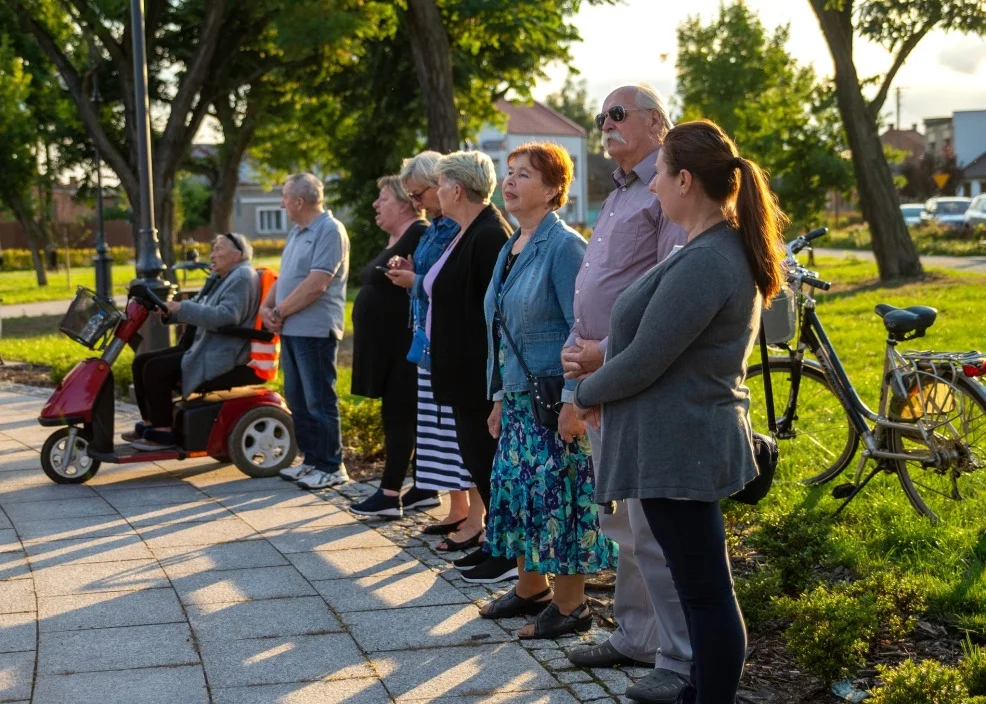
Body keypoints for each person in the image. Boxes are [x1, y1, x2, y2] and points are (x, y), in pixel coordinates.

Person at [574, 119, 787, 704]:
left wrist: (582, 395)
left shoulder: (707, 260)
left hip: (683, 447)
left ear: (685, 180)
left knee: (705, 591)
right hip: (678, 443)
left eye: (661, 176)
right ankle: (702, 691)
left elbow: (645, 358)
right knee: (701, 586)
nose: (654, 188)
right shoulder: (708, 250)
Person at [563, 84, 692, 701]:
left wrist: (602, 356)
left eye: (618, 114)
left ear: (656, 122)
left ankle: (680, 657)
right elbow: (596, 284)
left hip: (640, 382)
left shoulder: (668, 189)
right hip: (600, 381)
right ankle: (639, 638)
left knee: (652, 529)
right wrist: (578, 368)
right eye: (601, 116)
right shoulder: (618, 192)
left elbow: (671, 293)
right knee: (623, 526)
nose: (606, 124)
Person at [476, 143, 617, 636]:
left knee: (559, 498)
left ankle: (572, 605)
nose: (510, 182)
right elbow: (498, 327)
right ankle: (530, 587)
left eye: (524, 175)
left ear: (555, 189)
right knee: (520, 495)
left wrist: (575, 399)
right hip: (517, 397)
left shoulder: (564, 247)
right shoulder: (511, 246)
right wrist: (497, 396)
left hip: (554, 399)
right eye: (508, 173)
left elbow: (582, 328)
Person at [424, 150, 515, 582]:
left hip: (478, 378)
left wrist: (495, 386)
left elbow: (498, 316)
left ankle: (506, 554)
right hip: (460, 375)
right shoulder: (467, 230)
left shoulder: (489, 234)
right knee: (478, 462)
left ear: (457, 189)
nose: (436, 193)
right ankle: (494, 543)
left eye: (441, 184)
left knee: (487, 460)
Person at [386, 151, 473, 531]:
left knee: (454, 431)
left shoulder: (458, 228)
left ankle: (473, 514)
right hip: (426, 339)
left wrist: (415, 280)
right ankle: (457, 510)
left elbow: (451, 284)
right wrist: (412, 273)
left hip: (446, 342)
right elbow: (433, 277)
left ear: (441, 186)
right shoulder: (436, 226)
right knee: (437, 429)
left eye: (418, 194)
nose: (415, 203)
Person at [348, 176, 436, 518]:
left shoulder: (417, 233)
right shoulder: (399, 236)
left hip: (404, 345)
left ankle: (389, 493)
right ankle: (425, 487)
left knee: (400, 416)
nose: (375, 204)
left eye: (382, 198)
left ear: (403, 202)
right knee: (400, 415)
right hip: (388, 347)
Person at [125, 233, 260, 451]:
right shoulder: (222, 277)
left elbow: (226, 316)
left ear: (238, 254)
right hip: (203, 347)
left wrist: (183, 308)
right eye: (213, 248)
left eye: (219, 249)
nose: (212, 254)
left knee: (154, 369)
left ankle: (163, 433)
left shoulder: (242, 277)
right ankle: (150, 423)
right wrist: (170, 309)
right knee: (141, 362)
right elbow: (198, 307)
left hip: (221, 353)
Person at [264, 173, 350, 490]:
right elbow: (284, 278)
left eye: (285, 197)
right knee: (298, 401)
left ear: (299, 201)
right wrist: (267, 308)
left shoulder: (330, 230)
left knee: (318, 400)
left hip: (314, 330)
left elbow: (317, 284)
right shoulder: (297, 232)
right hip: (291, 328)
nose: (282, 203)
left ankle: (332, 465)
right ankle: (312, 460)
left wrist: (279, 310)